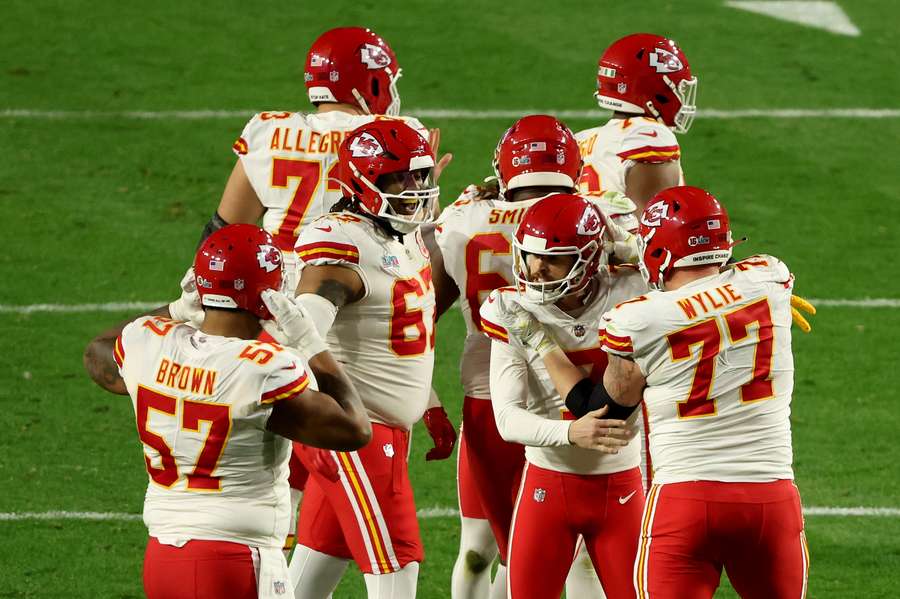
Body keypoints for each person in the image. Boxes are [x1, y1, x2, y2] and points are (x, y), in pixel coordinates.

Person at [173, 26, 453, 556]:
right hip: (342, 317)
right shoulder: (391, 132)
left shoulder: (267, 131)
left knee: (273, 495)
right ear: (370, 82)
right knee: (350, 495)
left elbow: (225, 231)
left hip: (261, 317)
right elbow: (403, 250)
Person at [522, 186, 810, 598]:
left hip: (686, 501)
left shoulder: (638, 319)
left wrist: (540, 342)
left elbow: (598, 411)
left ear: (659, 250)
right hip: (771, 499)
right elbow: (730, 283)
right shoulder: (769, 279)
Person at [83, 224, 371, 599]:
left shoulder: (148, 340)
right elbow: (355, 429)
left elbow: (97, 352)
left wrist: (175, 310)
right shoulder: (263, 368)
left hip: (163, 558)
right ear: (265, 294)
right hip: (233, 559)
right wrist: (312, 344)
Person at [425, 114, 635, 598]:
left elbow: (414, 318)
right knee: (577, 556)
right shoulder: (600, 215)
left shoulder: (461, 220)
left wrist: (426, 395)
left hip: (492, 393)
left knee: (493, 550)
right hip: (586, 386)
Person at [268, 119, 453, 599]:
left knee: (312, 574)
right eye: (400, 179)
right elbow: (302, 329)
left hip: (380, 428)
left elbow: (397, 334)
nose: (415, 190)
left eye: (421, 177)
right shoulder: (342, 245)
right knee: (397, 566)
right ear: (361, 182)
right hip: (358, 434)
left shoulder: (397, 232)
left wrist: (426, 400)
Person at [477, 193, 646, 599]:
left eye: (554, 258)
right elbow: (507, 418)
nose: (536, 269)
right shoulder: (512, 309)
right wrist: (569, 434)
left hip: (620, 481)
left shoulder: (633, 290)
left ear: (588, 259)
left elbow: (683, 268)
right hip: (548, 482)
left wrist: (628, 241)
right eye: (530, 255)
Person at [575, 33, 696, 216]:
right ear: (658, 90)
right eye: (679, 88)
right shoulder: (648, 136)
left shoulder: (579, 141)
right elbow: (651, 229)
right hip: (626, 244)